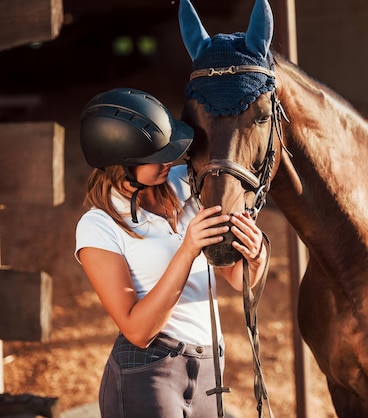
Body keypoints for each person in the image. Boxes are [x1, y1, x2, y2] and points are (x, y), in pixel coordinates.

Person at [74, 87, 267, 418]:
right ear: (121, 163)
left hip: (210, 369)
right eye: (155, 157)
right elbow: (137, 330)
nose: (170, 160)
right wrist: (187, 249)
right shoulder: (98, 227)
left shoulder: (188, 186)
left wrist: (255, 256)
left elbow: (237, 280)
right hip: (148, 375)